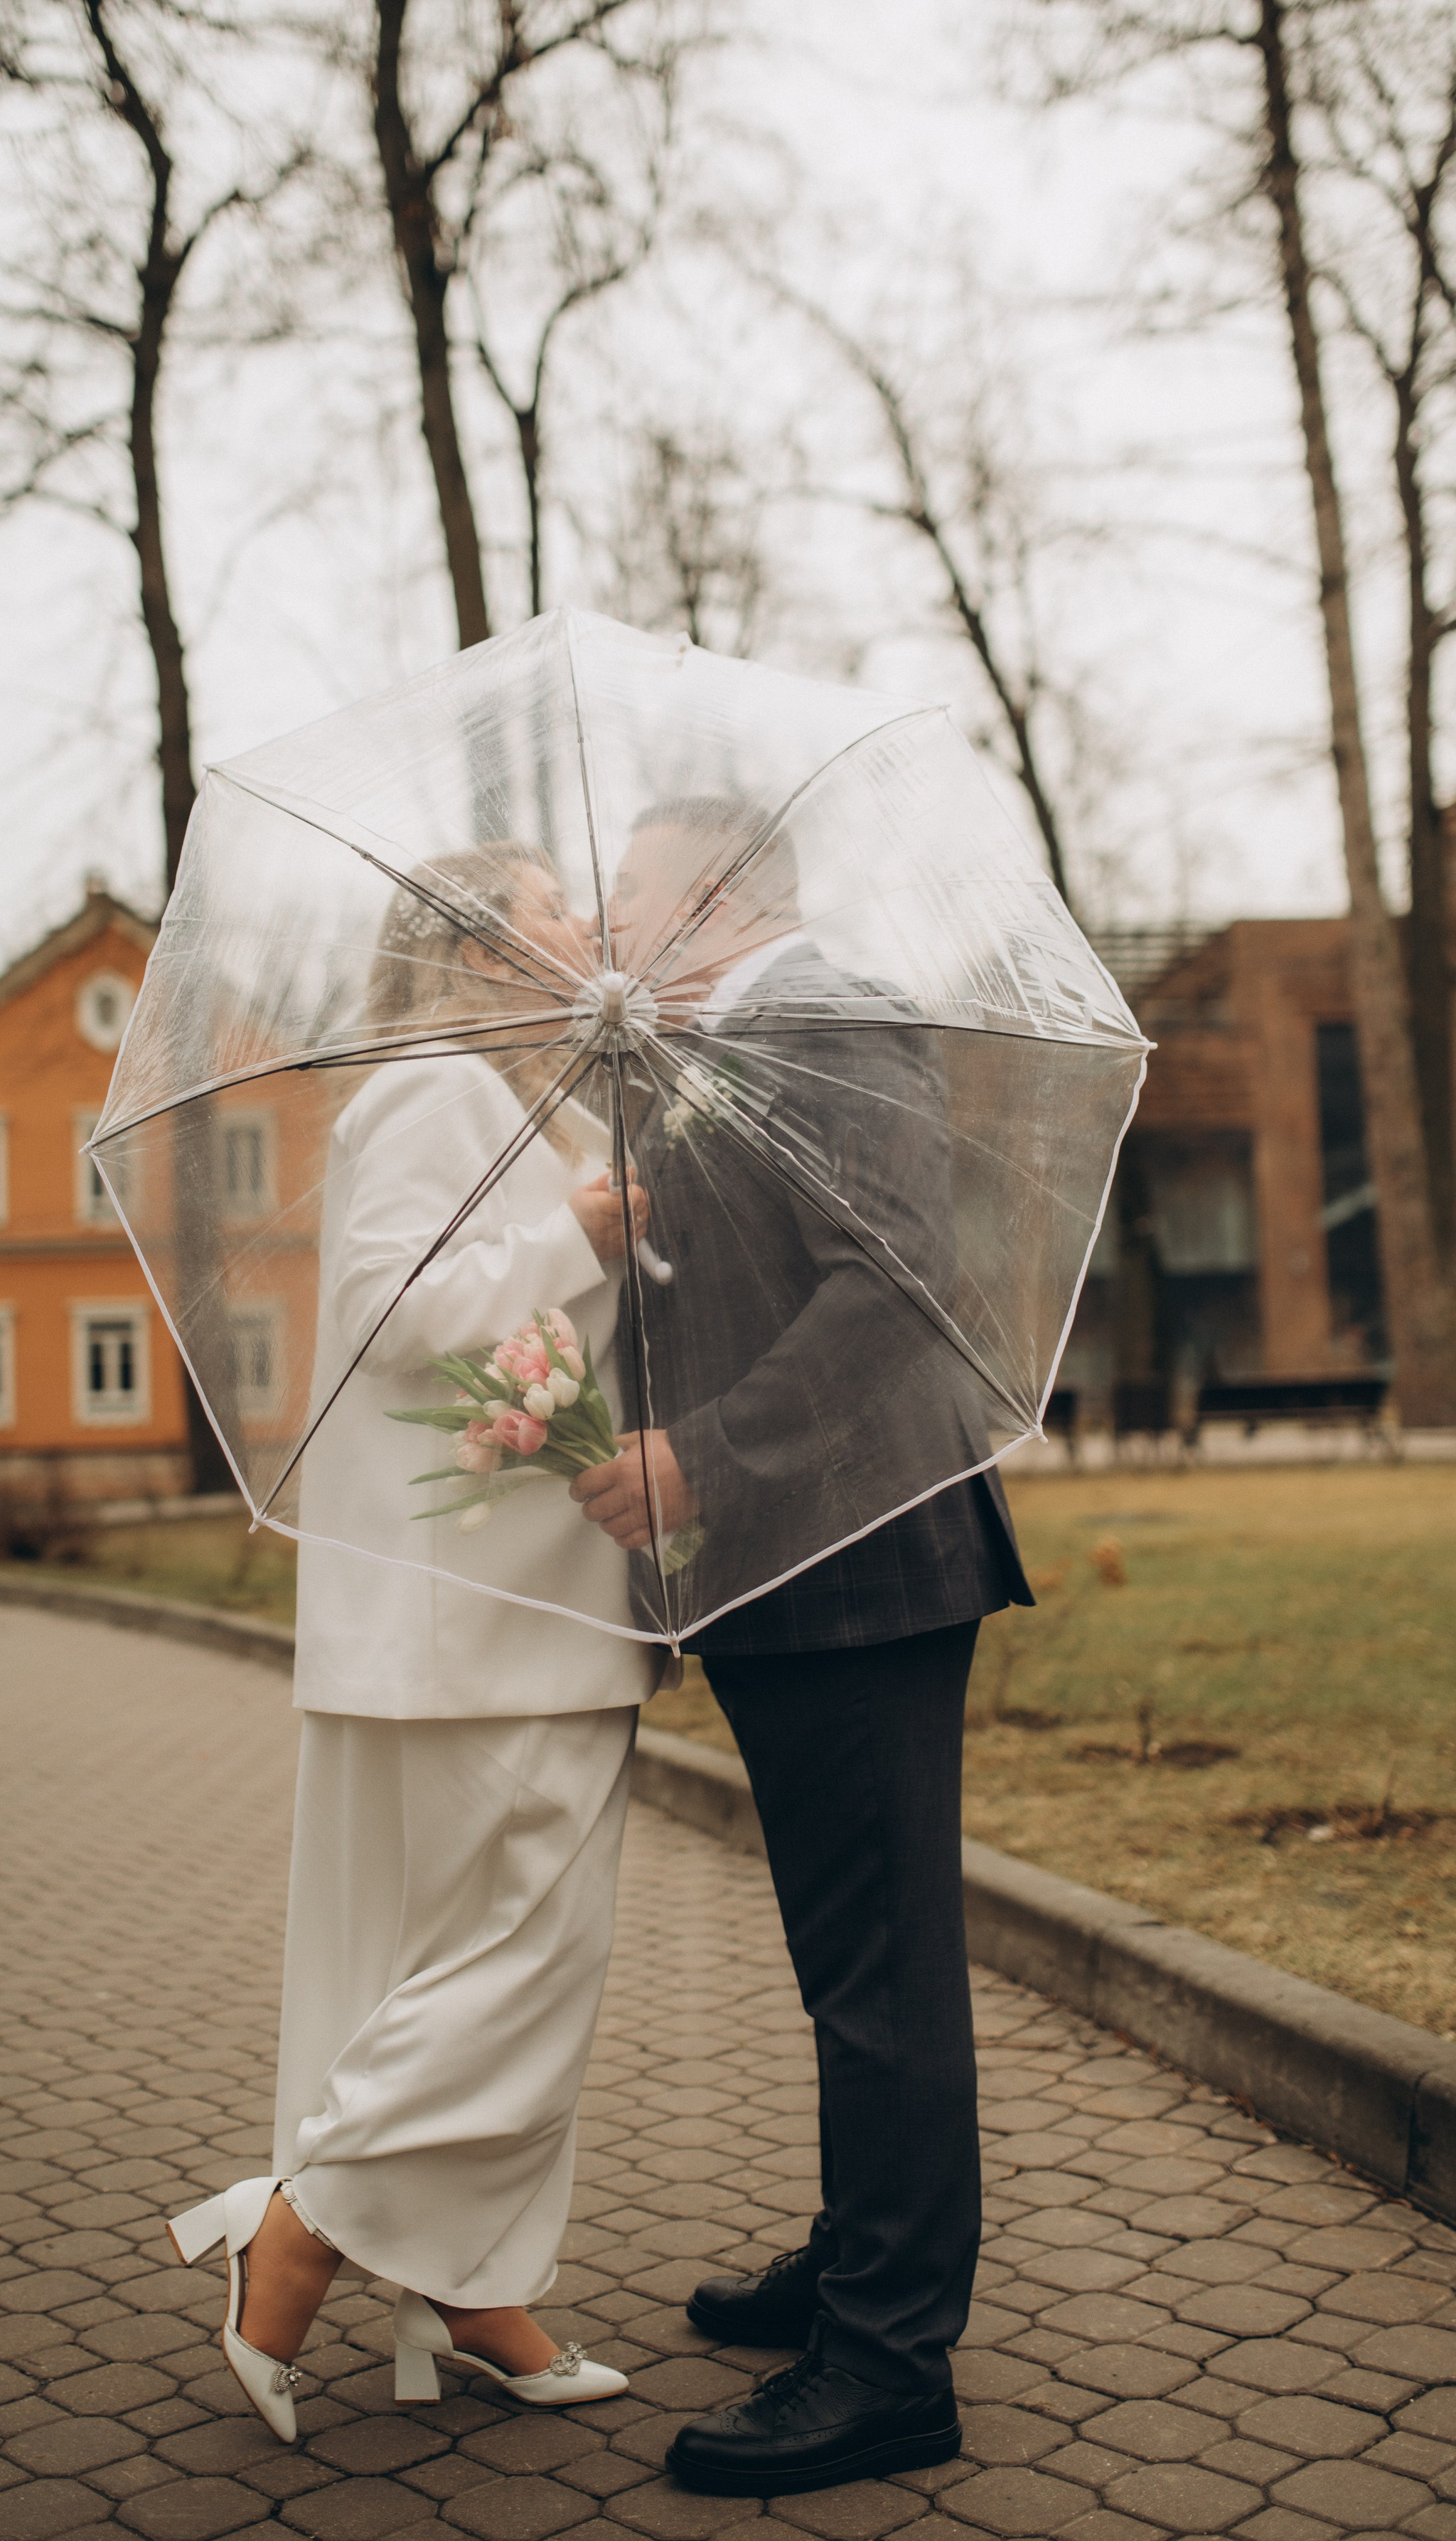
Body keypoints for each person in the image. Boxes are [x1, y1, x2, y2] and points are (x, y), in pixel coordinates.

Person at [166, 843, 661, 2444]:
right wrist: (576, 1235)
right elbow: (388, 1306)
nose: (588, 923)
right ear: (477, 951)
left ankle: (463, 2283)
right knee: (520, 1960)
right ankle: (299, 2230)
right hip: (481, 1621)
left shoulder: (523, 1100)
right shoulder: (433, 1087)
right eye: (553, 907)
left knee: (461, 1961)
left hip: (517, 1603)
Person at [572, 795, 1033, 2499]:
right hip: (794, 1567)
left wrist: (701, 1452)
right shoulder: (720, 1043)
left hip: (865, 1557)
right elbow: (761, 1273)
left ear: (711, 894)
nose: (613, 913)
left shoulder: (822, 1010)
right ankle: (858, 2256)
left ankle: (891, 2359)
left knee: (884, 1964)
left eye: (629, 883)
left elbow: (895, 1278)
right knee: (845, 1951)